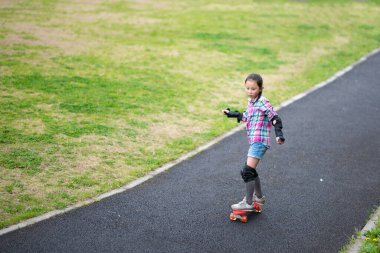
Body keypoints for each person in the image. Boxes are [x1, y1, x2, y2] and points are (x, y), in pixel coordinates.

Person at [223, 73, 285, 211]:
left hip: (259, 141)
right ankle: (259, 197)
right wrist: (231, 113)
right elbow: (246, 116)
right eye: (247, 88)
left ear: (261, 88)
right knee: (250, 170)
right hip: (254, 141)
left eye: (253, 89)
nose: (250, 92)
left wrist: (279, 135)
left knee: (247, 171)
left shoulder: (263, 101)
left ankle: (249, 203)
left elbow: (275, 118)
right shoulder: (251, 102)